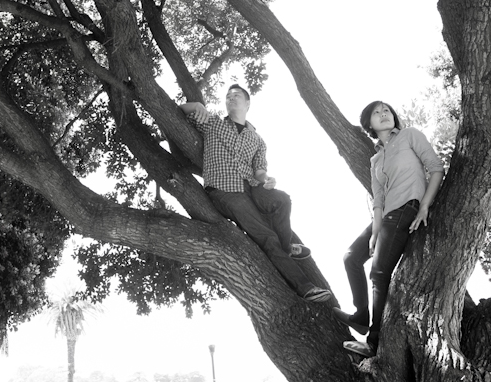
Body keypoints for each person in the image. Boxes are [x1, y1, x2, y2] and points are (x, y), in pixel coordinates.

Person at [180, 84, 333, 302]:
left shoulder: (258, 140)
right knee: (267, 238)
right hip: (226, 191)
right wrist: (195, 104)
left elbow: (259, 170)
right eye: (228, 96)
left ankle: (287, 246)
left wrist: (266, 179)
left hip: (253, 187)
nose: (231, 98)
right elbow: (183, 110)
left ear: (247, 103)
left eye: (237, 95)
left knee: (282, 200)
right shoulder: (213, 123)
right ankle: (306, 287)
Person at [334, 101, 445, 358]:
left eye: (387, 110)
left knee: (379, 273)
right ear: (369, 124)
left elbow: (436, 168)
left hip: (407, 207)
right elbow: (378, 200)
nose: (384, 114)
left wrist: (425, 206)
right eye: (377, 112)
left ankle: (373, 342)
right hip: (385, 216)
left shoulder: (410, 135)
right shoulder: (375, 159)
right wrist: (374, 232)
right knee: (351, 257)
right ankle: (361, 314)